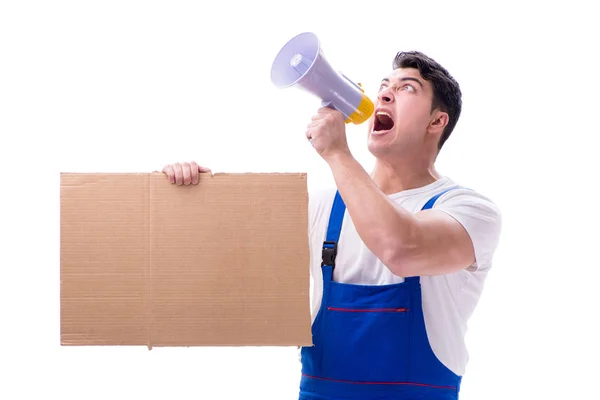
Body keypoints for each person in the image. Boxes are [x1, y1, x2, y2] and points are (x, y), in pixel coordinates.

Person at [161, 51, 502, 400]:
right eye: (384, 86)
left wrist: (338, 154)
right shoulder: (322, 207)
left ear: (436, 122)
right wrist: (188, 197)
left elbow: (402, 249)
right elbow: (226, 268)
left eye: (406, 89)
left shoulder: (468, 210)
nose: (384, 94)